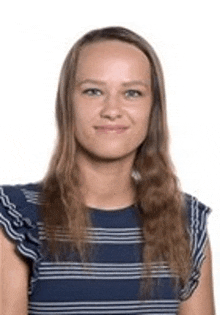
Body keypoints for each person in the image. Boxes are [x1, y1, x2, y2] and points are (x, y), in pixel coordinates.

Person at [0, 26, 215, 315]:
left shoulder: (185, 222)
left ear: (153, 109)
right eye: (93, 91)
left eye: (132, 93)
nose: (112, 109)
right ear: (67, 104)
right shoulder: (16, 218)